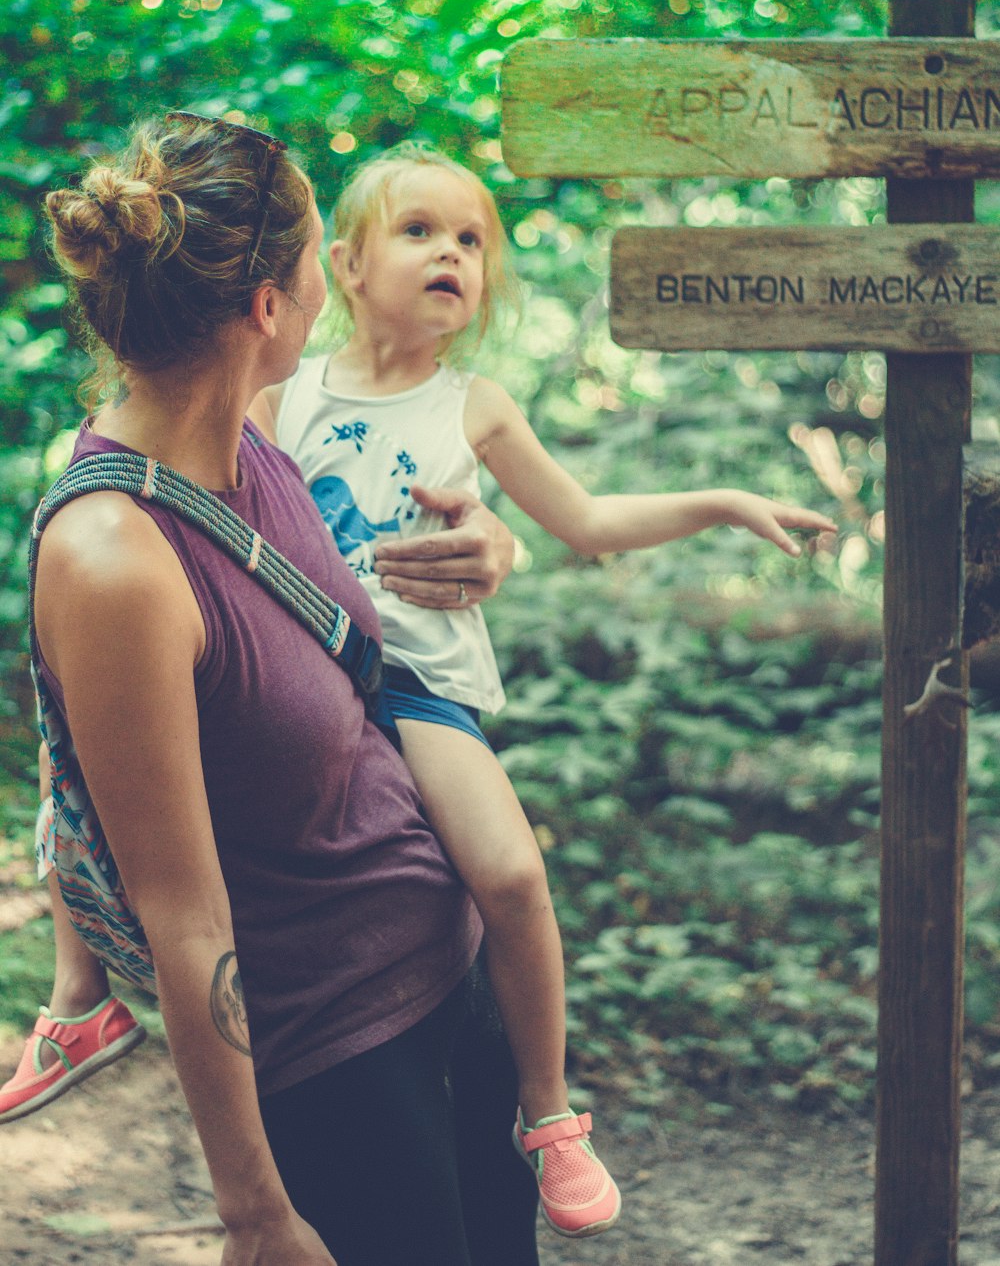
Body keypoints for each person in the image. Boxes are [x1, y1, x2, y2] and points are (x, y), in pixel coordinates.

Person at [247, 142, 836, 1235]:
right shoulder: (284, 397)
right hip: (303, 681)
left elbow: (586, 521)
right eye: (420, 231)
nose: (451, 255)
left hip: (417, 690)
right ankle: (86, 1004)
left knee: (513, 875)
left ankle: (548, 1114)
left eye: (470, 241)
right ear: (346, 260)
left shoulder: (473, 405)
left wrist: (724, 499)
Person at [16, 112, 542, 1266]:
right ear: (269, 304)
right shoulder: (116, 559)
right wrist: (254, 1211)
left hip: (447, 985)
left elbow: (340, 642)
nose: (327, 290)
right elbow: (185, 915)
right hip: (342, 1063)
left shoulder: (251, 449)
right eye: (316, 259)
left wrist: (492, 549)